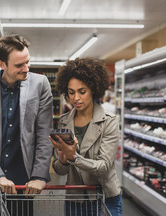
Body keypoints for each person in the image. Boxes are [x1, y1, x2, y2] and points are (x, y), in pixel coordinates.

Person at [0, 34, 53, 216]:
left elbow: (44, 134)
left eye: (27, 62)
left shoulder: (41, 85)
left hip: (23, 186)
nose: (26, 68)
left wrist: (39, 176)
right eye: (19, 65)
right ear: (2, 64)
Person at [50, 58, 122, 216]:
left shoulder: (108, 122)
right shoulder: (63, 122)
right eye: (71, 92)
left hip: (104, 197)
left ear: (93, 89)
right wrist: (62, 159)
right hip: (75, 198)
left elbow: (103, 167)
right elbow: (59, 170)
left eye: (82, 92)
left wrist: (73, 158)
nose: (76, 98)